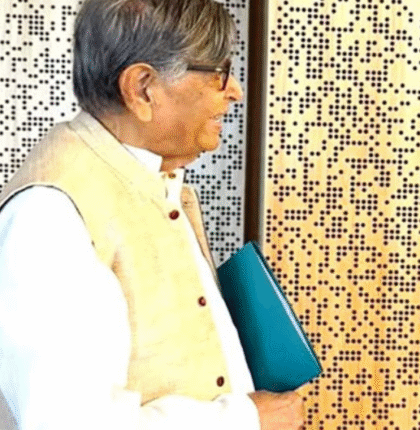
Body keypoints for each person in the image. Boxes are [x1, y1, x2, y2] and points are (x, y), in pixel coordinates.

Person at [0, 0, 304, 429]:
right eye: (218, 72)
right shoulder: (50, 217)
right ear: (142, 88)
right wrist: (244, 419)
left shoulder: (147, 178)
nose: (234, 90)